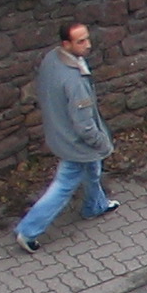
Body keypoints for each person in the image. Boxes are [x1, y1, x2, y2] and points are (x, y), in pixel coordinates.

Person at [14, 21, 121, 253]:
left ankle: (96, 204)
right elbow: (85, 126)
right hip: (76, 144)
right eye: (80, 41)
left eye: (87, 38)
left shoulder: (52, 59)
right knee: (64, 185)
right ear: (66, 44)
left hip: (59, 133)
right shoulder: (75, 82)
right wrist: (104, 144)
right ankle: (29, 231)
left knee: (92, 169)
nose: (88, 45)